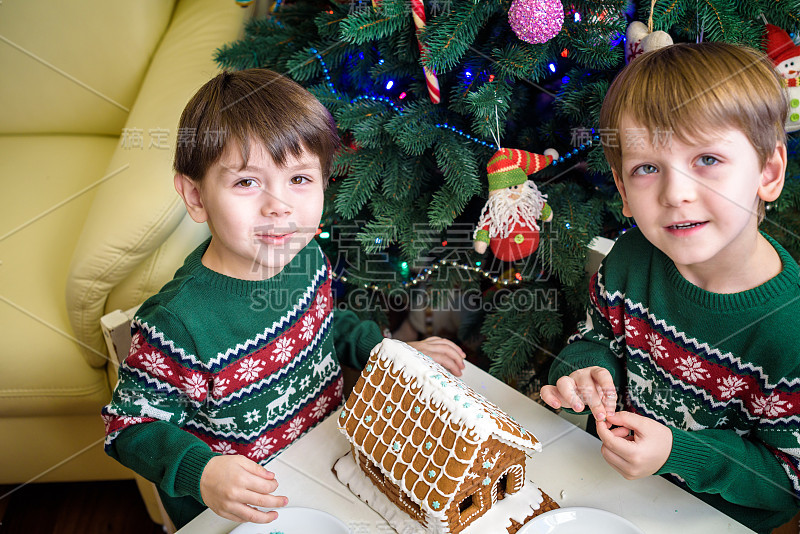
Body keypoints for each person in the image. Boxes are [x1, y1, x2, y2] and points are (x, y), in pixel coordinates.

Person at [101, 69, 466, 529]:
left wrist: (388, 354)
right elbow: (128, 427)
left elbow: (328, 325)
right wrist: (203, 471)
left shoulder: (306, 254)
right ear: (195, 196)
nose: (279, 206)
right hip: (247, 510)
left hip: (330, 461)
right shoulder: (176, 323)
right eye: (246, 183)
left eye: (298, 179)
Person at [540, 42, 800, 533]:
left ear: (768, 172)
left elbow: (787, 481)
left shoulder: (791, 330)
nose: (676, 193)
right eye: (647, 168)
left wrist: (680, 453)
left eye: (707, 159)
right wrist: (584, 369)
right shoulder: (632, 258)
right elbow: (595, 340)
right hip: (609, 492)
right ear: (623, 191)